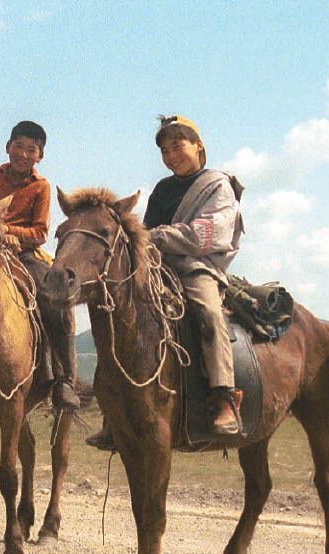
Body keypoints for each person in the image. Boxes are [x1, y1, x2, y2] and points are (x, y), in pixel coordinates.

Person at [91, 115, 244, 443]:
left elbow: (207, 233)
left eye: (178, 145)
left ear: (198, 144)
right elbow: (143, 232)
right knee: (117, 309)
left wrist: (156, 237)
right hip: (158, 265)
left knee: (210, 315)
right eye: (164, 150)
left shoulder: (217, 185)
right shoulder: (162, 189)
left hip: (196, 268)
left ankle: (224, 396)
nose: (171, 154)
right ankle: (113, 406)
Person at [0, 120, 79, 412]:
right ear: (8, 147)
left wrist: (13, 235)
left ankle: (64, 378)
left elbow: (40, 232)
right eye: (18, 146)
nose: (23, 153)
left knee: (55, 299)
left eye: (32, 149)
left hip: (25, 255)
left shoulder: (40, 187)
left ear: (39, 156)